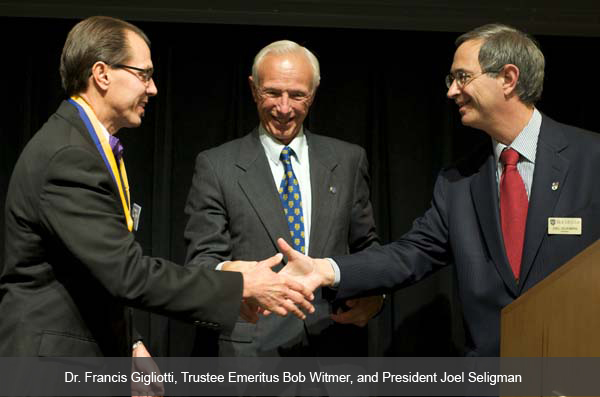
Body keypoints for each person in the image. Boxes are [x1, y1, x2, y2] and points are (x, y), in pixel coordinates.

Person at [279, 23, 600, 357]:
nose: (451, 92)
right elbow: (410, 254)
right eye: (452, 80)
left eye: (462, 77)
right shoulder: (458, 182)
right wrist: (326, 269)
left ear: (508, 78)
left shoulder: (591, 159)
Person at [0, 16, 313, 357]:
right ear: (102, 74)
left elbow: (94, 274)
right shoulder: (69, 155)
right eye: (144, 75)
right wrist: (239, 285)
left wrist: (132, 341)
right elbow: (128, 273)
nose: (152, 88)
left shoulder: (84, 145)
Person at [184, 40, 382, 357]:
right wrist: (237, 280)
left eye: (298, 95)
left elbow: (366, 247)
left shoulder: (348, 161)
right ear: (253, 89)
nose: (285, 107)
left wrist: (376, 297)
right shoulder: (216, 166)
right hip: (251, 355)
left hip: (334, 349)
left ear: (313, 93)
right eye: (273, 93)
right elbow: (202, 264)